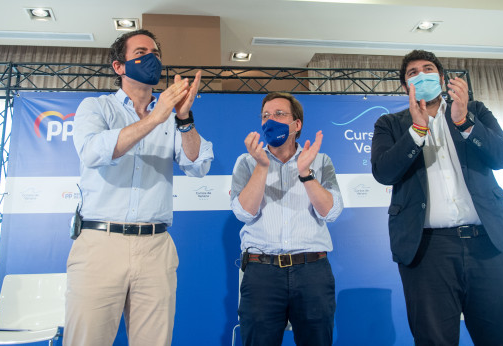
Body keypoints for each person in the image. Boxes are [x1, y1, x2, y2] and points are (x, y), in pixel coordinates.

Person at [65, 29, 213, 346]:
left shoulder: (171, 118)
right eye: (141, 52)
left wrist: (183, 119)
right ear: (119, 67)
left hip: (155, 246)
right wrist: (156, 117)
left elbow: (198, 164)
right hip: (100, 244)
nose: (151, 58)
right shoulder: (96, 108)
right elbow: (93, 152)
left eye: (156, 53)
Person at [371, 50, 503, 345]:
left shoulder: (474, 110)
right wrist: (417, 130)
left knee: (502, 337)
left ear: (442, 78)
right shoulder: (389, 124)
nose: (421, 74)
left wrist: (465, 122)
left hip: (488, 244)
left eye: (428, 69)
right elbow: (384, 173)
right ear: (406, 87)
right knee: (434, 340)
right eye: (413, 73)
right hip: (428, 250)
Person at [230, 92, 343, 346]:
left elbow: (331, 212)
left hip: (312, 271)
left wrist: (306, 174)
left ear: (297, 124)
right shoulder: (246, 162)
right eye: (266, 116)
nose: (271, 120)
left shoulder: (320, 161)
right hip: (262, 273)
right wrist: (261, 166)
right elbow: (244, 213)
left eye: (279, 114)